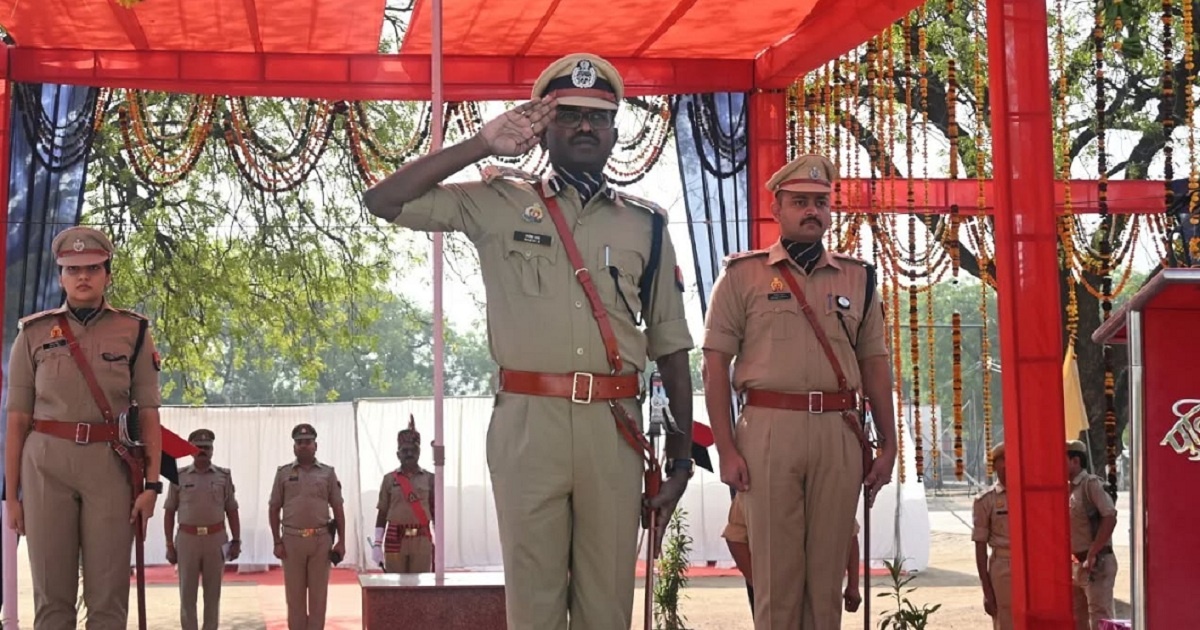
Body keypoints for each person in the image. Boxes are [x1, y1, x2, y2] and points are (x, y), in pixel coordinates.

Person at [363, 52, 695, 629]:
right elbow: (383, 201)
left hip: (613, 426)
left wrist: (682, 461)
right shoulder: (499, 201)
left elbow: (670, 343)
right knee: (533, 607)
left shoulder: (646, 223)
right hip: (528, 425)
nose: (585, 126)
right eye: (569, 115)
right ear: (544, 126)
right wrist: (480, 145)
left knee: (606, 609)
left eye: (598, 116)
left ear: (615, 132)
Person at [701, 153, 897, 629]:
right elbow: (714, 365)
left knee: (826, 581)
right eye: (800, 202)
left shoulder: (858, 278)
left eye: (820, 202)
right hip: (769, 429)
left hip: (839, 430)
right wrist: (726, 449)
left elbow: (875, 366)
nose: (812, 211)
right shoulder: (742, 275)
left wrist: (889, 445)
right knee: (776, 580)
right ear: (777, 208)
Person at [4, 226, 164, 629]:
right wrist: (12, 496)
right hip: (45, 465)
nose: (83, 277)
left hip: (109, 465)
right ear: (60, 277)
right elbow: (17, 419)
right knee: (51, 596)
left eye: (92, 268)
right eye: (72, 269)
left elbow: (149, 413)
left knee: (108, 596)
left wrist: (151, 485)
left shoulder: (134, 331)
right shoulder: (33, 333)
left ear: (107, 274)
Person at [722, 492, 862, 617]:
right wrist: (758, 584)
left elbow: (848, 532)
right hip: (781, 587)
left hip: (817, 587)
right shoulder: (758, 483)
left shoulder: (827, 484)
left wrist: (853, 585)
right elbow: (735, 536)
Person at [268, 423, 346, 630]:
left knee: (319, 597)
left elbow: (338, 508)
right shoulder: (283, 473)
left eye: (308, 442)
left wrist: (341, 541)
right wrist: (277, 541)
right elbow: (274, 508)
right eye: (299, 442)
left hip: (321, 541)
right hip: (292, 541)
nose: (303, 445)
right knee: (294, 597)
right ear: (294, 447)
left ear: (315, 446)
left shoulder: (328, 473)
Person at [164, 428, 242, 630]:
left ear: (212, 450)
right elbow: (169, 511)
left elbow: (232, 509)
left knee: (213, 594)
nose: (203, 451)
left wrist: (236, 540)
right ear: (191, 450)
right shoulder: (178, 476)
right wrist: (169, 545)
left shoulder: (223, 476)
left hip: (215, 539)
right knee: (187, 594)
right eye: (198, 447)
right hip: (187, 539)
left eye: (207, 447)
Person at [371, 415, 435, 573]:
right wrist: (377, 543)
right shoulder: (389, 479)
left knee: (421, 585)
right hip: (395, 537)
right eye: (405, 450)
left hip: (421, 539)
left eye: (413, 450)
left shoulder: (430, 478)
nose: (409, 454)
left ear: (419, 453)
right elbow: (382, 512)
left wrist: (439, 542)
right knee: (395, 584)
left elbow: (435, 511)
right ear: (398, 454)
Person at [1066, 439, 1118, 630]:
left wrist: (1093, 552)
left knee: (1100, 619)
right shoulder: (1067, 488)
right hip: (1076, 564)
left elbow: (1110, 516)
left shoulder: (1091, 484)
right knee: (1077, 619)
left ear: (1075, 461)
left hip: (1096, 564)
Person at [972, 442, 1011, 630]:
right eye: (1003, 460)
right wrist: (987, 592)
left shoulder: (1028, 494)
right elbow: (980, 548)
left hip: (1031, 565)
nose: (1008, 465)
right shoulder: (986, 500)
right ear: (994, 466)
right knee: (1006, 621)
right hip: (1003, 568)